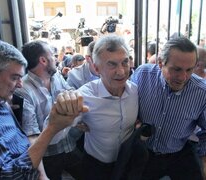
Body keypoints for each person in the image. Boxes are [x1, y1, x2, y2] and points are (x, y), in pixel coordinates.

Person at [0, 39, 88, 179]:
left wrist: (76, 114)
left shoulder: (56, 76)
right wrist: (42, 175)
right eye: (15, 77)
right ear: (43, 60)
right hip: (47, 154)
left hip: (68, 143)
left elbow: (69, 92)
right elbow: (30, 136)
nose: (19, 84)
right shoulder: (23, 92)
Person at [72, 34, 147, 179]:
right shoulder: (84, 96)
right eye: (112, 64)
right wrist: (71, 120)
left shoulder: (135, 91)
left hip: (127, 163)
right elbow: (57, 131)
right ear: (96, 68)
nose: (121, 71)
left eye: (125, 62)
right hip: (96, 167)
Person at [130, 37, 206, 180]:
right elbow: (124, 102)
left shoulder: (202, 92)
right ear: (160, 63)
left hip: (179, 153)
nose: (183, 77)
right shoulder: (142, 75)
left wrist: (203, 158)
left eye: (189, 70)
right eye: (176, 69)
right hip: (143, 152)